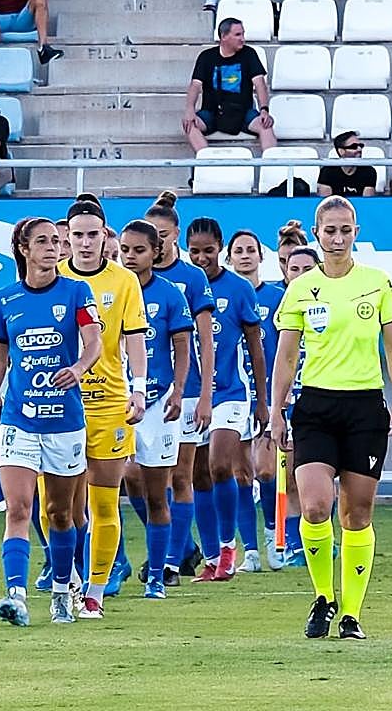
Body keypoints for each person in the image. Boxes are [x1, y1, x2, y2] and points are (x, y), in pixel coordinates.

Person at [271, 195, 392, 640]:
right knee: (314, 505)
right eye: (329, 230)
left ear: (356, 232)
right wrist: (275, 410)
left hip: (365, 408)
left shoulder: (377, 282)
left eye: (345, 229)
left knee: (357, 514)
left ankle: (351, 613)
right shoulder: (300, 289)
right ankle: (321, 597)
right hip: (315, 406)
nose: (337, 237)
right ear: (317, 233)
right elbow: (287, 354)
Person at [0, 217, 100, 626]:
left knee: (61, 513)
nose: (53, 247)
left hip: (65, 421)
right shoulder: (6, 300)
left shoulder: (76, 292)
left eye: (57, 241)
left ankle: (61, 591)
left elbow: (94, 343)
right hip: (19, 419)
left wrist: (79, 368)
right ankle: (15, 596)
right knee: (18, 508)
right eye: (43, 241)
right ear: (24, 249)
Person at [58, 195, 149, 619]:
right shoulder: (53, 277)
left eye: (93, 234)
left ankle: (94, 591)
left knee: (104, 502)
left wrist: (139, 388)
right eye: (77, 235)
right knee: (57, 507)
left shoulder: (124, 281)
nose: (85, 242)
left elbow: (134, 339)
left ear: (104, 235)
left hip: (110, 402)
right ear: (67, 238)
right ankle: (69, 582)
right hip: (59, 404)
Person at [184, 218, 269, 583]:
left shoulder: (237, 289)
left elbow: (256, 346)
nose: (202, 257)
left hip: (232, 392)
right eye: (195, 251)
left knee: (222, 465)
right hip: (193, 395)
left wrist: (263, 402)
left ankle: (231, 546)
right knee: (198, 475)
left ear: (220, 249)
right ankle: (213, 554)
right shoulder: (182, 286)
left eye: (209, 250)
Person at [118, 221, 193, 599]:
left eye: (138, 250)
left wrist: (179, 391)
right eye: (125, 249)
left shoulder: (169, 294)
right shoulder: (108, 289)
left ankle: (159, 573)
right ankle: (124, 562)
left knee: (157, 493)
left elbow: (182, 345)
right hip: (116, 401)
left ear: (155, 252)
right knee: (128, 479)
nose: (130, 257)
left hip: (157, 402)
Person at [146, 191, 217, 587]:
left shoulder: (191, 278)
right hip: (142, 396)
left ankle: (171, 562)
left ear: (174, 235)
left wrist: (205, 394)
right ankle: (179, 544)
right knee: (137, 477)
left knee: (181, 475)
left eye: (161, 235)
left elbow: (204, 341)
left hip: (185, 392)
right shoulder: (129, 279)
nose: (154, 244)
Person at [227, 230, 286, 573]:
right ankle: (249, 550)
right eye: (239, 251)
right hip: (235, 393)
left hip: (266, 395)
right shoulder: (226, 295)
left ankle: (272, 536)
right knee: (240, 475)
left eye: (251, 250)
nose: (246, 255)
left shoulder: (276, 298)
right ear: (230, 258)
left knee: (266, 470)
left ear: (261, 257)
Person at [275, 221, 313, 567]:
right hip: (286, 400)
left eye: (306, 268)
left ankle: (316, 539)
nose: (299, 273)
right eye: (293, 267)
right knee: (281, 473)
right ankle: (287, 539)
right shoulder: (277, 305)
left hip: (318, 398)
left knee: (312, 474)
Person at [183, 18, 278, 154]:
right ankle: (208, 162)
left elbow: (260, 84)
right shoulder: (206, 57)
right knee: (189, 124)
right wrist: (189, 109)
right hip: (212, 112)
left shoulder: (249, 54)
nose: (243, 39)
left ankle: (272, 166)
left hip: (243, 112)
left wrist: (264, 110)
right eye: (238, 35)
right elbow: (195, 85)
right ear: (224, 37)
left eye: (243, 34)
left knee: (265, 125)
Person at [319, 131, 377, 197]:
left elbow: (367, 202)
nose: (359, 149)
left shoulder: (369, 171)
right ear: (341, 151)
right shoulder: (327, 171)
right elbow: (325, 203)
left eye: (361, 146)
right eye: (354, 146)